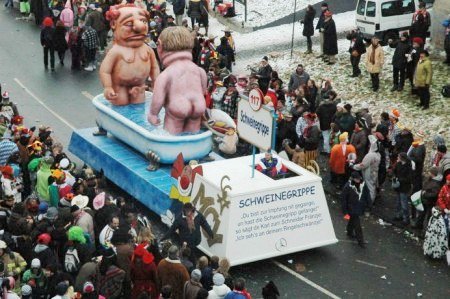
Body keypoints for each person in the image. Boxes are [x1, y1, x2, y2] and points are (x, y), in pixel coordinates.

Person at [352, 135, 381, 211]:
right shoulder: (378, 154)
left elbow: (363, 165)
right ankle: (371, 201)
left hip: (368, 173)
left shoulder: (370, 155)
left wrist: (354, 166)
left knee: (369, 187)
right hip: (375, 172)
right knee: (373, 186)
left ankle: (369, 203)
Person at [342, 171, 367, 248]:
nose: (358, 180)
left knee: (352, 221)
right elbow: (343, 200)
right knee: (357, 225)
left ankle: (349, 232)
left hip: (355, 207)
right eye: (357, 179)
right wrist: (345, 212)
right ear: (353, 179)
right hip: (351, 209)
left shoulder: (357, 185)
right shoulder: (347, 187)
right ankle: (361, 241)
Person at [393, 153, 413, 226]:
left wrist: (399, 179)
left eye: (398, 157)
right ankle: (399, 215)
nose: (397, 158)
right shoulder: (398, 164)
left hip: (404, 187)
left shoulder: (408, 167)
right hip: (399, 186)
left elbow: (409, 178)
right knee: (398, 202)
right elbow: (395, 171)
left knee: (404, 203)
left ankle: (406, 219)